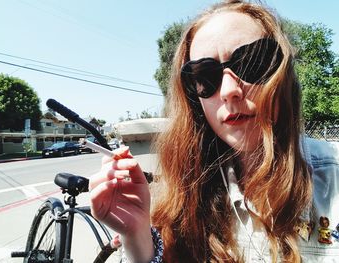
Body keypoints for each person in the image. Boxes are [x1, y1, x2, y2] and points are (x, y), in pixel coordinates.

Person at [89, 0, 339, 262]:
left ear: (282, 74)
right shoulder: (186, 192)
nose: (230, 90)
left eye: (252, 62)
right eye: (205, 76)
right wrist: (137, 237)